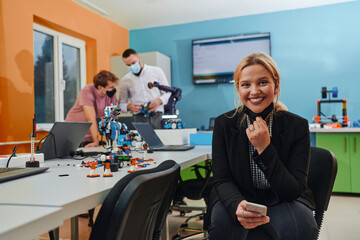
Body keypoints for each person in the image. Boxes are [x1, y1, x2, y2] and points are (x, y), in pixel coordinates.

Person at [208, 53, 318, 240]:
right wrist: (237, 205)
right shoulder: (224, 124)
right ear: (238, 88)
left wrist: (264, 148)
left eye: (262, 82)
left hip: (282, 198)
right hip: (238, 195)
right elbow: (222, 179)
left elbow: (292, 190)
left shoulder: (297, 126)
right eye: (246, 84)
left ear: (276, 86)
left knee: (302, 228)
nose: (254, 91)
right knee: (221, 226)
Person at [118, 49, 171, 129]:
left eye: (133, 63)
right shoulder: (125, 80)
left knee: (160, 140)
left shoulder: (157, 71)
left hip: (157, 115)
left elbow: (168, 93)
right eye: (128, 65)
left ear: (139, 58)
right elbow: (121, 104)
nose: (132, 66)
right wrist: (128, 107)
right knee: (140, 141)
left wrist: (159, 100)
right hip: (138, 117)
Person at [65, 70, 118, 147]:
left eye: (114, 86)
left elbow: (112, 117)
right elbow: (91, 119)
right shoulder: (87, 91)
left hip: (89, 137)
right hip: (73, 135)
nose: (113, 89)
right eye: (111, 87)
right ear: (100, 87)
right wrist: (96, 141)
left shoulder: (111, 94)